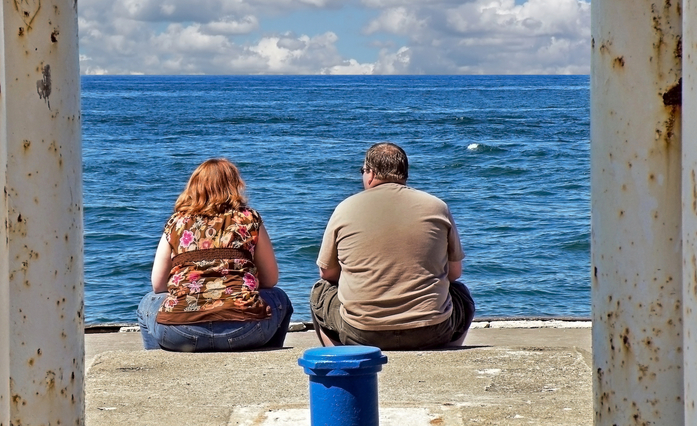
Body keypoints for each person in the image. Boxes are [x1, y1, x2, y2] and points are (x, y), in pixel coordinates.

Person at [310, 142, 475, 351]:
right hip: (431, 331)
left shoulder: (345, 208)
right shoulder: (437, 206)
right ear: (404, 174)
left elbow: (327, 274)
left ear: (370, 173)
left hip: (361, 333)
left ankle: (340, 355)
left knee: (320, 291)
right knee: (461, 293)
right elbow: (454, 273)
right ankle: (447, 351)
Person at [137, 158, 293, 352]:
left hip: (180, 333)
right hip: (245, 331)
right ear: (234, 186)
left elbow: (158, 285)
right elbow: (270, 280)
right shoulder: (249, 218)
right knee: (280, 298)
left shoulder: (176, 223)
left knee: (147, 302)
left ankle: (158, 363)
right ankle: (266, 355)